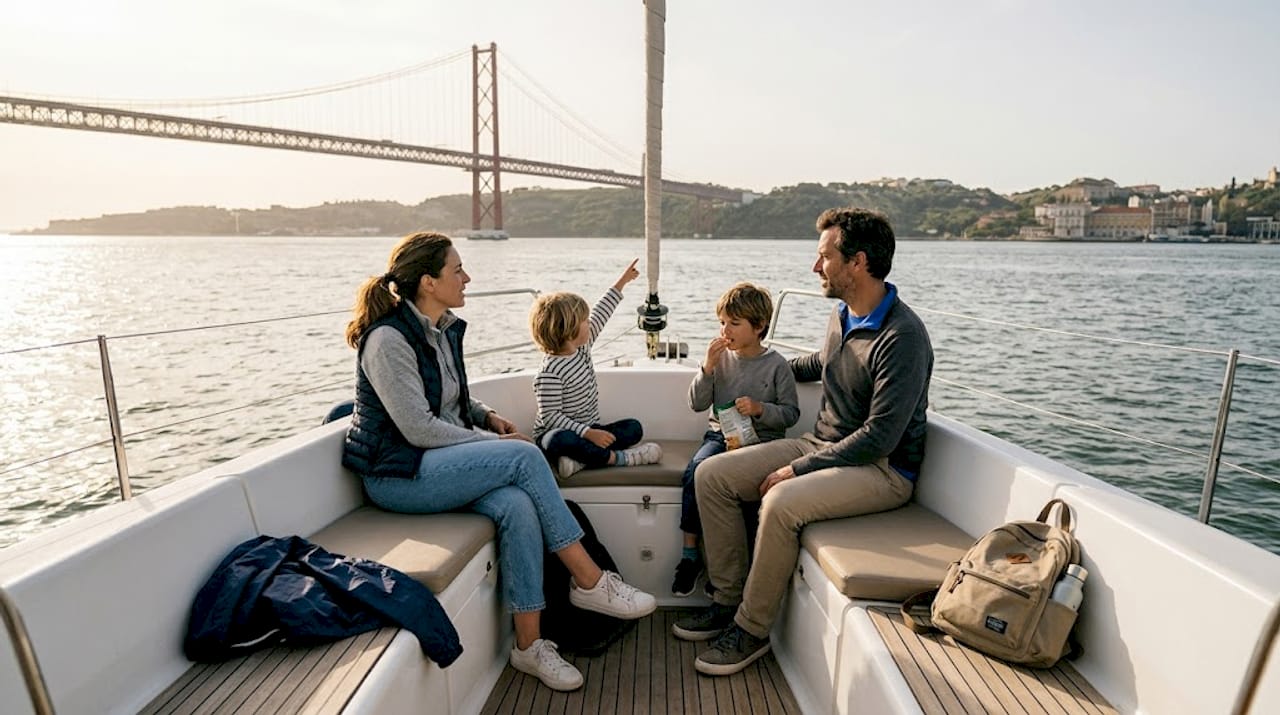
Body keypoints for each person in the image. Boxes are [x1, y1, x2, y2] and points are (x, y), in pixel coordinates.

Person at [340, 232, 657, 692]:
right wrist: (486, 439)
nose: (467, 278)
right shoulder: (388, 340)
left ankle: (529, 646)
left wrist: (487, 415)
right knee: (526, 457)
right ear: (428, 282)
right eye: (458, 270)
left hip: (437, 464)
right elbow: (419, 429)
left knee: (517, 505)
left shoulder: (441, 328)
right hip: (400, 475)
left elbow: (452, 400)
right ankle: (589, 581)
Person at [672, 208, 934, 676]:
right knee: (711, 475)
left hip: (883, 469)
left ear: (856, 262)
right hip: (823, 442)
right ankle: (727, 599)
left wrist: (798, 470)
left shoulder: (903, 337)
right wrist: (764, 367)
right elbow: (823, 362)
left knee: (780, 501)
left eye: (824, 257)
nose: (816, 267)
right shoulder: (843, 315)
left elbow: (880, 436)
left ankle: (751, 630)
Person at [672, 283, 799, 597]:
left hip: (763, 443)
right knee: (696, 470)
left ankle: (741, 573)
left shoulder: (777, 365)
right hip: (721, 436)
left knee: (751, 498)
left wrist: (760, 409)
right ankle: (690, 555)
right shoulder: (720, 360)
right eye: (722, 322)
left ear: (758, 327)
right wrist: (707, 368)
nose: (724, 330)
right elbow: (696, 404)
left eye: (733, 323)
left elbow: (791, 414)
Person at [529, 259, 663, 479]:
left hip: (590, 428)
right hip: (559, 435)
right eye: (584, 320)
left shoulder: (582, 347)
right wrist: (588, 433)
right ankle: (619, 459)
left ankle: (581, 461)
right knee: (559, 440)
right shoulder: (549, 372)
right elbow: (551, 417)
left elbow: (602, 312)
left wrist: (622, 281)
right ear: (568, 329)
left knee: (633, 428)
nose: (589, 323)